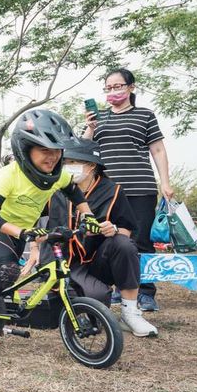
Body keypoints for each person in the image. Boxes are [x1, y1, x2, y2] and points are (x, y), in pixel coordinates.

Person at [0, 109, 100, 346]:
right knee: (8, 271)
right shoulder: (9, 175)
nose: (53, 157)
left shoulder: (57, 175)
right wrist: (23, 233)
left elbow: (74, 192)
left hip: (24, 231)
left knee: (0, 273)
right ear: (25, 149)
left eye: (57, 150)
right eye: (45, 150)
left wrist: (89, 216)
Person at [44, 139, 157, 337]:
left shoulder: (112, 191)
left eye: (72, 162)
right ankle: (76, 301)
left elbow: (126, 230)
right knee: (96, 299)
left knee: (124, 244)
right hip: (64, 261)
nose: (67, 167)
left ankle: (130, 313)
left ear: (91, 165)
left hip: (97, 261)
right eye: (65, 162)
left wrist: (112, 229)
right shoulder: (54, 189)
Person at [83, 68, 173, 312]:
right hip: (106, 193)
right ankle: (112, 288)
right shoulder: (99, 117)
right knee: (109, 240)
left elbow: (158, 150)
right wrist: (90, 127)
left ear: (131, 87)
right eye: (108, 88)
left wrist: (165, 182)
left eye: (118, 86)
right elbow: (82, 150)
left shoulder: (145, 115)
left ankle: (145, 292)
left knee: (141, 240)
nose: (113, 92)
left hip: (139, 187)